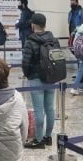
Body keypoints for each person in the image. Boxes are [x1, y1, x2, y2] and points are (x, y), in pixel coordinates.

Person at [21, 13, 59, 149]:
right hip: (51, 77)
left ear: (33, 25)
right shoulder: (53, 40)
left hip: (36, 77)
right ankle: (48, 137)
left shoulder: (30, 40)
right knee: (50, 108)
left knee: (38, 109)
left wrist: (27, 74)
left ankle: (38, 139)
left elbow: (25, 62)